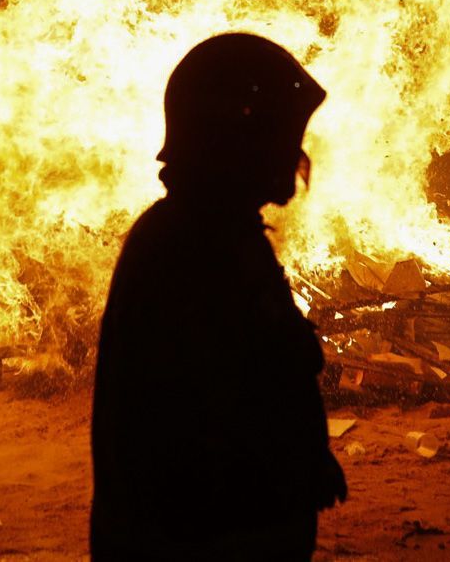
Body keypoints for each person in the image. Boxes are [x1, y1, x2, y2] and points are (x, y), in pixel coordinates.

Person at [91, 33, 346, 560]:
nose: (293, 156)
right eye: (278, 133)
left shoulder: (217, 234)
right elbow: (203, 419)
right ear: (237, 137)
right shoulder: (190, 247)